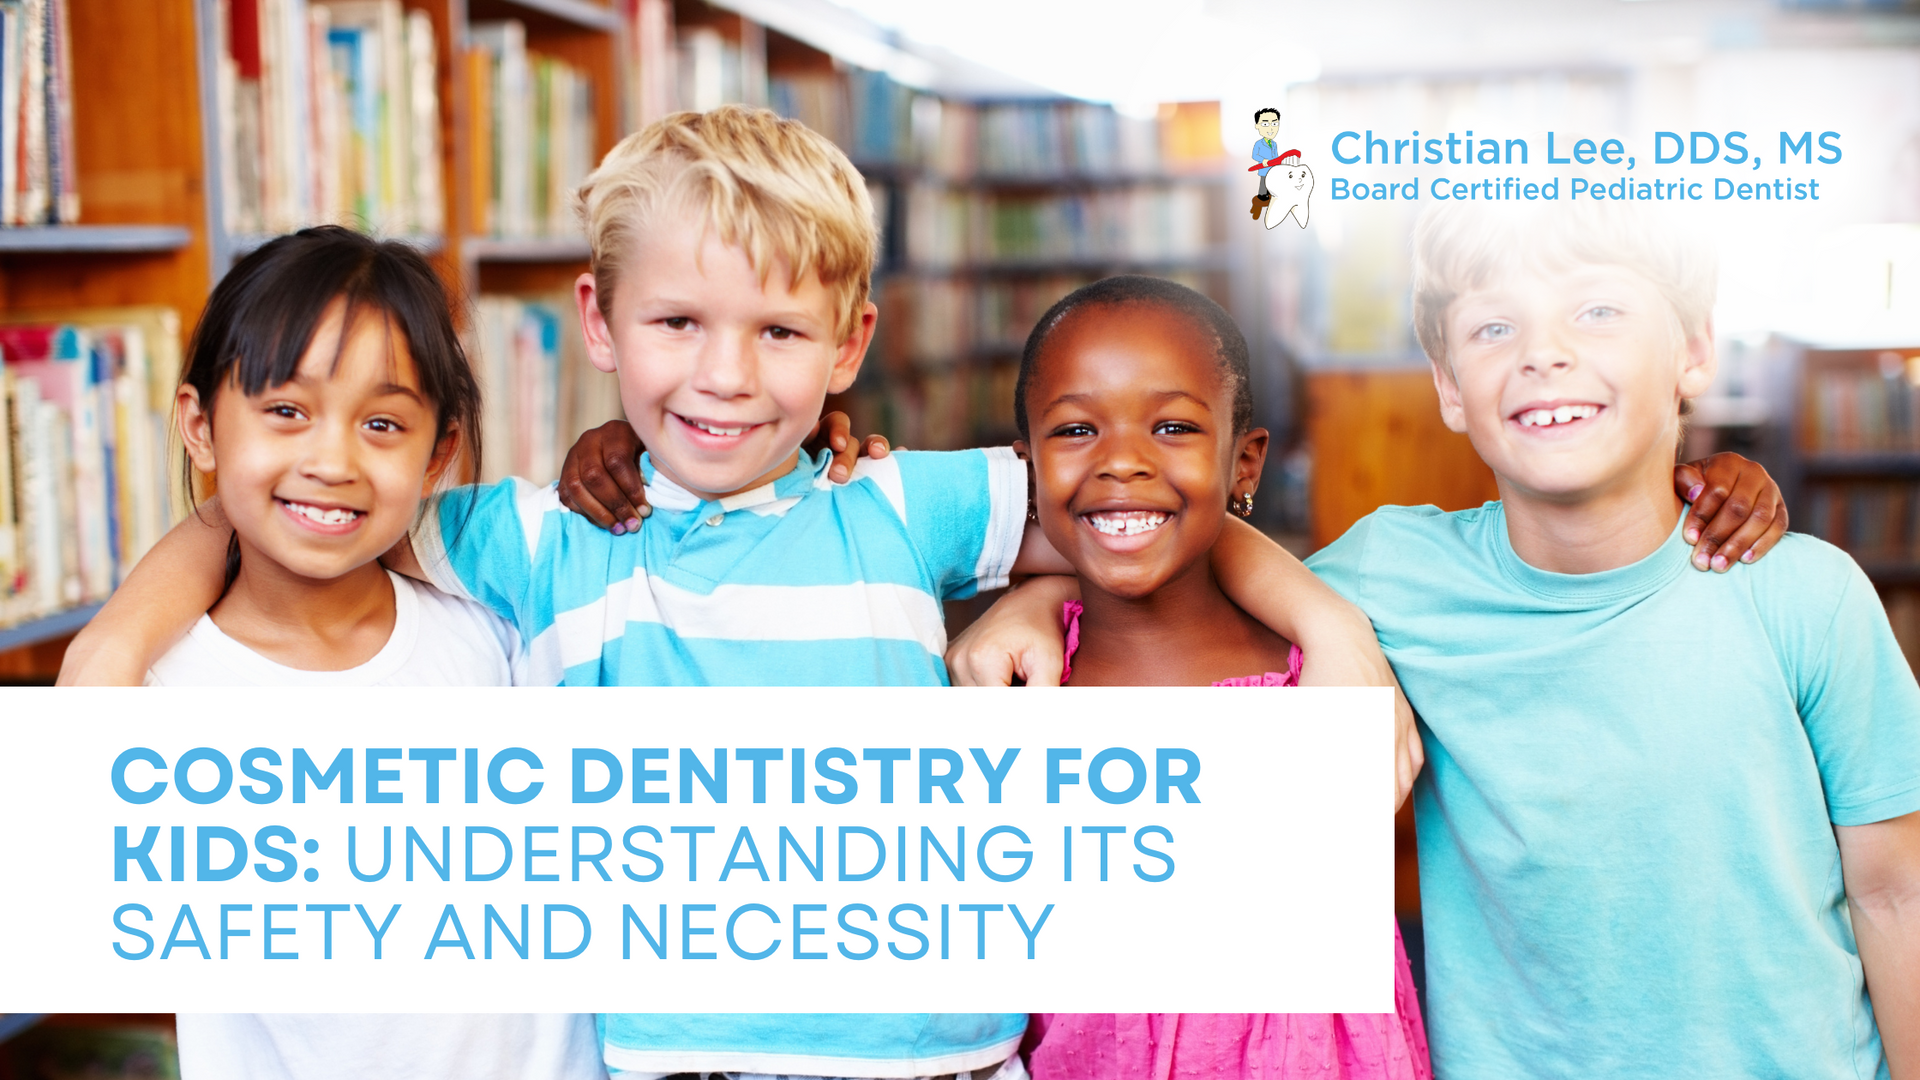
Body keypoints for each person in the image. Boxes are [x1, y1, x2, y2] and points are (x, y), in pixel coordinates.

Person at [953, 201, 1920, 1080]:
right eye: (1496, 328)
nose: (1543, 354)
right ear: (1450, 388)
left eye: (1597, 313)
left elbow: (1896, 898)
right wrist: (1037, 599)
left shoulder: (1803, 596)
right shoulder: (1390, 581)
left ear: (1694, 351)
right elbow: (1177, 552)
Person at [139, 227, 605, 1079]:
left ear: (439, 457)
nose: (331, 461)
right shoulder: (153, 696)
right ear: (200, 427)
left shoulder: (495, 621)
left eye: (383, 423)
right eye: (286, 411)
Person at [1004, 274, 1431, 1079]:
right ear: (1023, 472)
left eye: (1171, 426)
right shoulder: (1010, 688)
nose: (1123, 461)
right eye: (1074, 430)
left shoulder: (1330, 678)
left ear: (1246, 462)